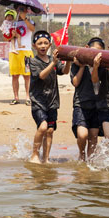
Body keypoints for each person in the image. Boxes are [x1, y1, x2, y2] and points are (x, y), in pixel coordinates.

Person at [28, 30, 70, 163]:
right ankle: (34, 154)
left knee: (50, 131)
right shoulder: (33, 61)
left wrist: (68, 60)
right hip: (38, 101)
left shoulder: (54, 60)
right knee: (43, 127)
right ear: (34, 45)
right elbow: (41, 75)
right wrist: (53, 63)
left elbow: (64, 71)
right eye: (39, 43)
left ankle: (45, 158)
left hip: (52, 101)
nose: (42, 46)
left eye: (46, 43)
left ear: (50, 45)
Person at [70, 37, 106, 161]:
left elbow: (97, 81)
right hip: (81, 104)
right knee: (82, 134)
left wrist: (95, 67)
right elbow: (75, 83)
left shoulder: (102, 66)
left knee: (93, 136)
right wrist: (82, 66)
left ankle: (90, 160)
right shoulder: (77, 63)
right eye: (92, 51)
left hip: (97, 105)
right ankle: (81, 154)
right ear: (86, 48)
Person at [7, 5, 36, 105]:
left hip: (26, 51)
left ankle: (28, 97)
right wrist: (12, 35)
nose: (20, 11)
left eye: (22, 9)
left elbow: (32, 29)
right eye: (19, 9)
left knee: (27, 76)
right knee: (15, 75)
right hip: (14, 51)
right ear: (16, 10)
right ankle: (16, 97)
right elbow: (6, 37)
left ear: (27, 10)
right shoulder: (12, 23)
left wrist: (25, 19)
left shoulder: (30, 21)